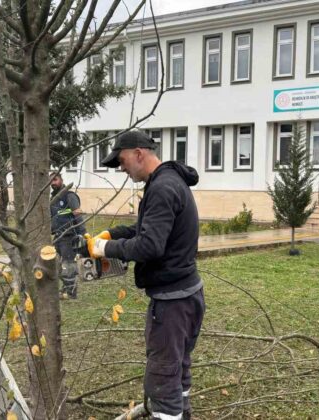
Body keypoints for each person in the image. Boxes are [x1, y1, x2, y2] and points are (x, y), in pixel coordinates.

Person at [86, 130, 205, 420]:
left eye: (123, 161)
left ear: (139, 153)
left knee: (162, 379)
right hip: (187, 295)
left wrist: (104, 247)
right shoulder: (167, 182)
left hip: (173, 303)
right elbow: (147, 230)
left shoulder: (163, 188)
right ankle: (182, 413)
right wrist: (112, 234)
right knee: (177, 368)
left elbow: (150, 245)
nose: (122, 168)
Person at [50, 172, 85, 299]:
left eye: (55, 179)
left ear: (61, 179)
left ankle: (71, 292)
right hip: (58, 236)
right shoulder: (53, 199)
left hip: (69, 235)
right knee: (55, 263)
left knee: (69, 264)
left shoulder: (70, 196)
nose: (53, 183)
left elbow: (78, 215)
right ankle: (65, 287)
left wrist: (83, 234)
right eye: (51, 181)